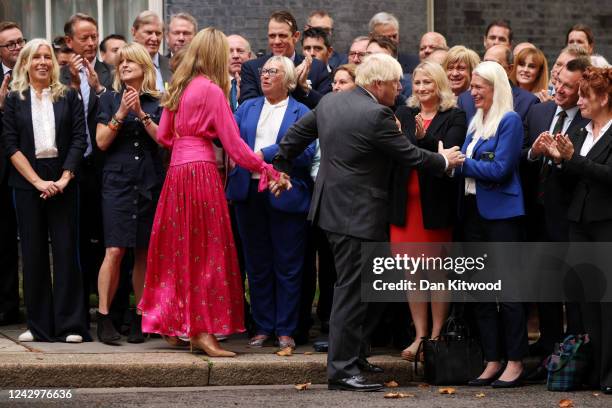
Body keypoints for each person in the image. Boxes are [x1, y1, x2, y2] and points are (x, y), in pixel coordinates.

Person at [272, 53, 465, 391]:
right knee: (351, 292)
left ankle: (355, 357)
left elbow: (295, 135)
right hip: (356, 215)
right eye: (395, 84)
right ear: (378, 84)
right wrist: (443, 159)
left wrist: (282, 165)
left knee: (359, 289)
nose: (399, 89)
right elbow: (409, 156)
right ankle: (342, 371)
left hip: (331, 210)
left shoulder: (332, 102)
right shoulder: (377, 114)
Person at [138, 28, 283, 357]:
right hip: (201, 173)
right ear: (217, 55)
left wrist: (185, 146)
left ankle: (176, 324)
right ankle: (202, 331)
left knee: (177, 250)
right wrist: (267, 169)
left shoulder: (179, 87)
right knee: (206, 253)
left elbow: (163, 136)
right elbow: (234, 145)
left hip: (176, 175)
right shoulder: (213, 91)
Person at [2, 39, 89, 342]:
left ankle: (71, 325)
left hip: (63, 176)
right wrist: (37, 182)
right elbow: (10, 143)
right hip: (27, 180)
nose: (42, 62)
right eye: (35, 57)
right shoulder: (14, 98)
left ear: (53, 62)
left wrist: (64, 179)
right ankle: (38, 326)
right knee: (33, 251)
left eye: (47, 57)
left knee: (66, 250)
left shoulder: (69, 96)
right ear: (25, 63)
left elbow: (80, 139)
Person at [227, 56, 314, 350]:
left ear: (287, 79)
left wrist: (264, 154)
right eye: (264, 72)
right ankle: (263, 326)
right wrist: (252, 158)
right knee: (257, 263)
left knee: (288, 264)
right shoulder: (247, 107)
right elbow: (231, 139)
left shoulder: (301, 112)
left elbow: (305, 149)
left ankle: (286, 328)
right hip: (248, 193)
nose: (265, 76)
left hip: (284, 191)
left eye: (272, 72)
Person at [538, 66, 612, 395]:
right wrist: (558, 159)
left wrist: (574, 161)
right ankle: (594, 370)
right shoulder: (581, 132)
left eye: (586, 95)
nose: (579, 102)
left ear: (605, 97)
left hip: (606, 226)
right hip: (578, 226)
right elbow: (574, 179)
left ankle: (610, 373)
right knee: (586, 303)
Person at [456, 61, 527, 388]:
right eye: (472, 86)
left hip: (501, 217)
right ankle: (492, 359)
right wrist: (471, 163)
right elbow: (485, 164)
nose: (472, 92)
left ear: (495, 87)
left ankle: (515, 362)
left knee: (509, 293)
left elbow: (499, 169)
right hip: (472, 213)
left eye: (478, 87)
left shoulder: (509, 121)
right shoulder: (476, 121)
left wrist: (460, 164)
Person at [391, 61, 467, 361]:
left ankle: (436, 337)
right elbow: (398, 151)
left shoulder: (454, 115)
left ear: (440, 85)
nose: (421, 89)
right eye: (418, 83)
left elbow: (451, 153)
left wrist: (423, 141)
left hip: (434, 204)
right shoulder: (403, 113)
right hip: (404, 203)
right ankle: (419, 335)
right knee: (412, 274)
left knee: (436, 273)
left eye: (428, 83)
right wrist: (429, 150)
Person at [521, 57, 591, 381]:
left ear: (582, 90)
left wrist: (562, 160)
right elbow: (522, 156)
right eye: (558, 82)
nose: (559, 89)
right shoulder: (539, 112)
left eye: (568, 86)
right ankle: (549, 355)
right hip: (537, 217)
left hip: (569, 219)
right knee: (545, 290)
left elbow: (585, 175)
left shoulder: (589, 122)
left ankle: (575, 357)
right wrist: (534, 153)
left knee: (572, 294)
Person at [94, 43, 164, 345]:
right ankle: (105, 317)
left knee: (143, 252)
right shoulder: (108, 99)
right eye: (120, 62)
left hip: (148, 183)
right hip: (117, 184)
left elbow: (164, 139)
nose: (123, 66)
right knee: (114, 250)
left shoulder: (158, 101)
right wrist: (122, 112)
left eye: (129, 62)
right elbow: (101, 142)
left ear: (143, 66)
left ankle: (140, 316)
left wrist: (141, 113)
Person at [61, 12, 113, 326]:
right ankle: (75, 311)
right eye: (85, 37)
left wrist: (96, 88)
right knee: (72, 240)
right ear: (69, 41)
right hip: (69, 168)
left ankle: (106, 308)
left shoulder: (108, 73)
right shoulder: (56, 74)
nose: (92, 43)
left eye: (95, 36)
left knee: (103, 237)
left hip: (101, 168)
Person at [239, 11, 332, 109]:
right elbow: (248, 106)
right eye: (272, 36)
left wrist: (304, 88)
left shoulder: (316, 67)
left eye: (282, 36)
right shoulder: (252, 67)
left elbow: (327, 107)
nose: (277, 41)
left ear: (296, 36)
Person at [0, 21, 24, 326]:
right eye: (11, 44)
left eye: (20, 42)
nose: (17, 48)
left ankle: (10, 306)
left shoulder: (32, 75)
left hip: (27, 170)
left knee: (15, 241)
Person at [458, 44, 539, 122]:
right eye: (484, 63)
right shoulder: (465, 99)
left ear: (510, 69)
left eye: (493, 64)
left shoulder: (528, 102)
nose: (487, 69)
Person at [131, 11, 170, 91]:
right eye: (149, 33)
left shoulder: (173, 67)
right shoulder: (122, 67)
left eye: (158, 33)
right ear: (134, 32)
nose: (154, 38)